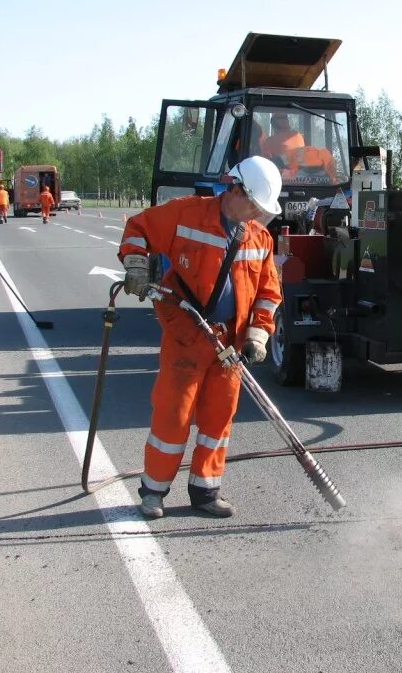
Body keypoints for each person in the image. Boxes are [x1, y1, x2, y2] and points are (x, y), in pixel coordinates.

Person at [118, 155, 283, 519]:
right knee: (173, 415)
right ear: (235, 189)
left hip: (229, 344)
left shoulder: (260, 236)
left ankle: (206, 491)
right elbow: (138, 229)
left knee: (218, 418)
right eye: (253, 205)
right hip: (186, 334)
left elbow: (269, 292)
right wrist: (136, 264)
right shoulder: (186, 214)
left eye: (261, 209)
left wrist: (258, 333)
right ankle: (154, 492)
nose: (256, 214)